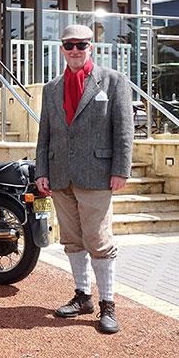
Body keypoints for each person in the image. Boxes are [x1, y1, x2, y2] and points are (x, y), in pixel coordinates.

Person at [35, 24, 134, 334]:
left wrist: (121, 168)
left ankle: (108, 304)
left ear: (91, 47)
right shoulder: (52, 87)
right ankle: (82, 296)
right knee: (72, 239)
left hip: (97, 174)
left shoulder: (113, 81)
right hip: (60, 174)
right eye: (69, 45)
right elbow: (45, 135)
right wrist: (42, 171)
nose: (75, 50)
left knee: (99, 240)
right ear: (62, 49)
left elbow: (124, 129)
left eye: (81, 45)